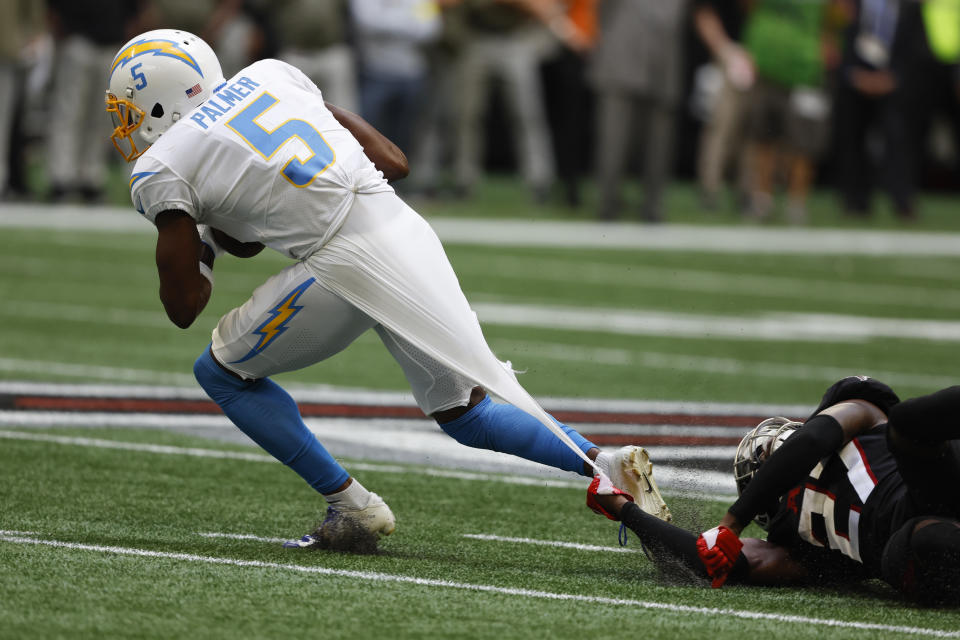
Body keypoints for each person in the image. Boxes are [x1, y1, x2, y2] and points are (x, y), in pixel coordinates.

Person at [104, 28, 667, 551]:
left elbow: (183, 306)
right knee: (465, 413)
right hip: (405, 231)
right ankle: (603, 462)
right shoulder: (273, 74)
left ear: (160, 102)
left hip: (343, 265)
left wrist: (204, 244)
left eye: (130, 112)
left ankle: (351, 506)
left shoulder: (165, 165)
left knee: (220, 372)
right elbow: (393, 161)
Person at [588, 376, 960, 605]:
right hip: (912, 543)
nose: (776, 447)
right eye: (765, 453)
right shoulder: (794, 547)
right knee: (933, 541)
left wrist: (731, 522)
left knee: (909, 421)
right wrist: (624, 509)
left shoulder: (862, 416)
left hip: (930, 482)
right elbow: (711, 560)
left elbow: (813, 438)